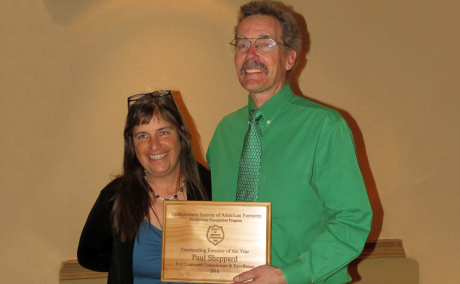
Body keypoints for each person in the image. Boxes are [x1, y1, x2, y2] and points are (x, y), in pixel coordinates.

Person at [206, 1, 372, 284]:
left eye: (265, 43)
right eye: (242, 44)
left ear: (290, 59)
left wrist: (288, 276)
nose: (251, 54)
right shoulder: (224, 133)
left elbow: (352, 221)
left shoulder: (325, 127)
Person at [78, 91, 211, 284]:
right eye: (142, 135)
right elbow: (89, 255)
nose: (154, 145)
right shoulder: (115, 197)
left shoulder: (211, 187)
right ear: (131, 142)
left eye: (163, 132)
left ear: (181, 133)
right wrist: (124, 262)